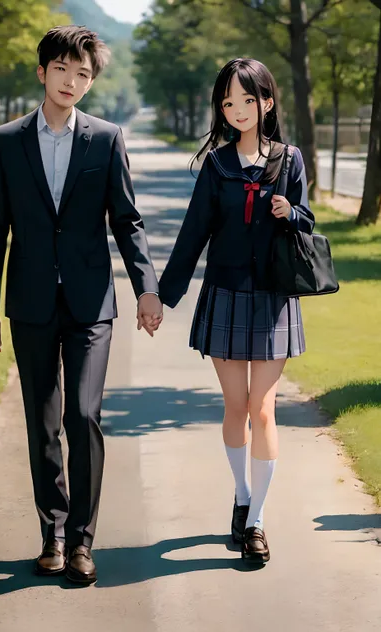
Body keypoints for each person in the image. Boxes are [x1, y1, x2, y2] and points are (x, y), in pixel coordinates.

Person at [0, 25, 163, 585]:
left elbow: (126, 220)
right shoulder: (6, 140)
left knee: (82, 417)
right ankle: (50, 537)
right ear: (42, 71)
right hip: (29, 303)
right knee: (42, 423)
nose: (72, 81)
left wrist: (146, 287)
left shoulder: (106, 139)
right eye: (63, 69)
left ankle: (82, 541)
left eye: (83, 74)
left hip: (89, 304)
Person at [159, 58, 314, 564]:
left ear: (266, 102)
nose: (238, 109)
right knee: (236, 406)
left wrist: (289, 212)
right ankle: (242, 495)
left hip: (272, 298)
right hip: (225, 293)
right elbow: (193, 233)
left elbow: (307, 219)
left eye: (248, 99)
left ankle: (256, 521)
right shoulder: (218, 164)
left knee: (263, 408)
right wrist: (162, 295)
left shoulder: (289, 160)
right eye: (229, 101)